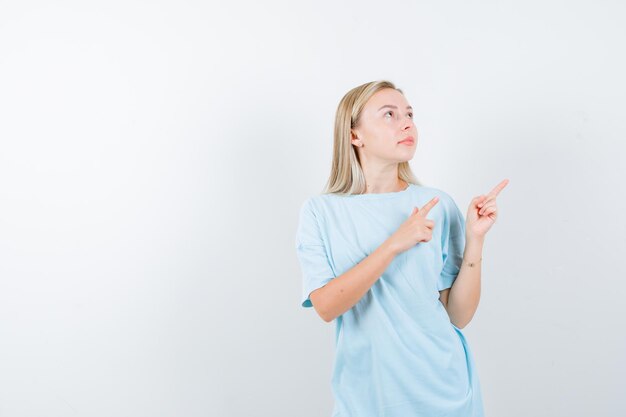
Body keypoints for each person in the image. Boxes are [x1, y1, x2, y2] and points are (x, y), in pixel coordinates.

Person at [294, 80, 509, 417]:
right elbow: (326, 306)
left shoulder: (436, 204)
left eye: (409, 114)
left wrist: (475, 240)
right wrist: (394, 243)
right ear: (354, 135)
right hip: (368, 398)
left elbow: (458, 315)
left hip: (446, 391)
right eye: (389, 115)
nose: (407, 123)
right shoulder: (321, 212)